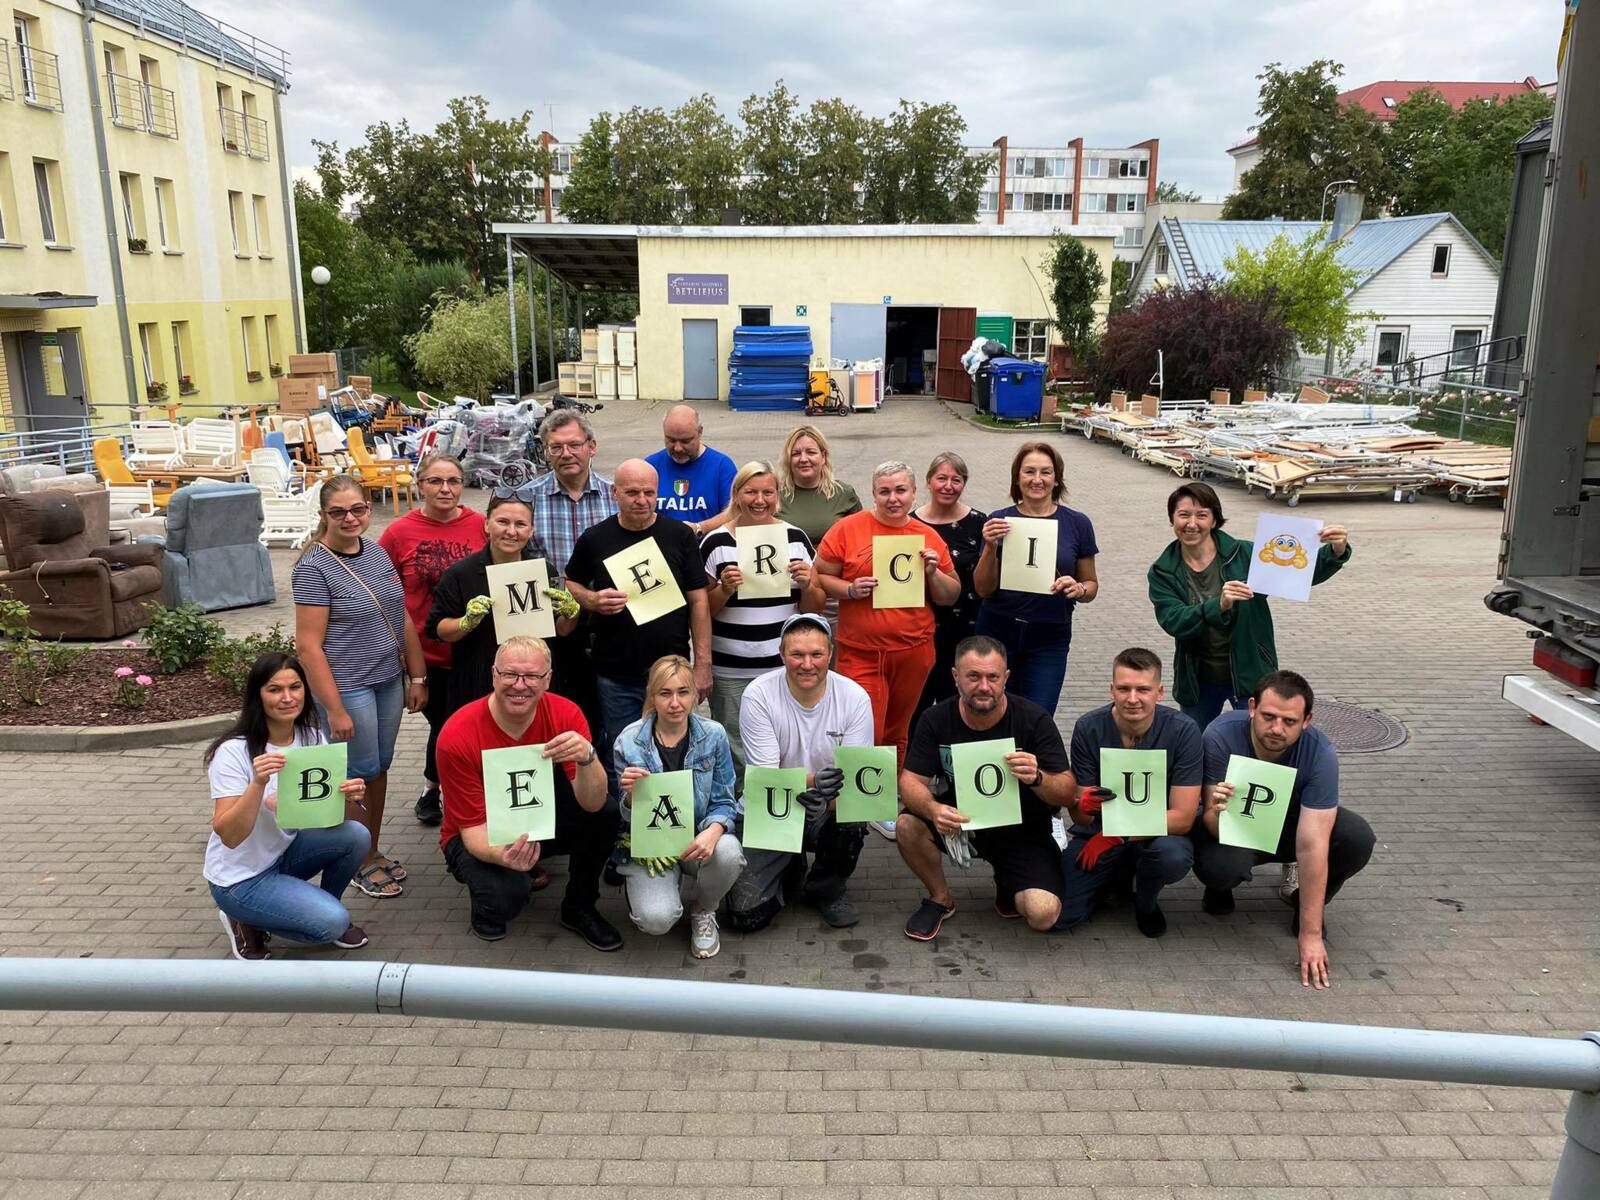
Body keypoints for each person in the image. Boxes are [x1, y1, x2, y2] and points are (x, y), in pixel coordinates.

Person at [1193, 670, 1376, 990]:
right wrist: (1217, 811)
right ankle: (1220, 888)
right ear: (1252, 708)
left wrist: (1311, 934)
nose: (1277, 729)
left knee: (1357, 837)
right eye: (1269, 717)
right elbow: (1210, 820)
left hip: (1292, 827)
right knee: (1220, 866)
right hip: (1234, 828)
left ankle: (1307, 904)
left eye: (1290, 721)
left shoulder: (1320, 752)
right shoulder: (1220, 735)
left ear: (1307, 721)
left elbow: (1313, 843)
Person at [434, 636, 620, 950]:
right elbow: (471, 828)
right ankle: (488, 904)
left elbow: (593, 803)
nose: (520, 685)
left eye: (532, 676)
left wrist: (588, 758)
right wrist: (503, 856)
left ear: (548, 679)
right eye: (510, 674)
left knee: (607, 814)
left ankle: (580, 905)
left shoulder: (566, 714)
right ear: (493, 674)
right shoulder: (457, 734)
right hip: (480, 828)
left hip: (539, 817)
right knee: (504, 898)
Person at [292, 476, 426, 900]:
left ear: (368, 509)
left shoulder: (376, 551)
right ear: (323, 515)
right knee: (355, 773)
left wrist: (417, 675)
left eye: (357, 509)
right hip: (348, 686)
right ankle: (356, 859)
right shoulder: (313, 567)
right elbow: (308, 646)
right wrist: (334, 708)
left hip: (387, 679)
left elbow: (401, 616)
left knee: (378, 766)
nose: (349, 518)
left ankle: (370, 847)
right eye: (338, 512)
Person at [895, 636, 1075, 941]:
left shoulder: (1033, 719)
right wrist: (933, 809)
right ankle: (940, 898)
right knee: (907, 825)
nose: (984, 687)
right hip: (960, 822)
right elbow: (910, 781)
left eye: (993, 677)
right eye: (973, 677)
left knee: (1043, 914)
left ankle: (1009, 881)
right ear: (955, 677)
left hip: (1023, 830)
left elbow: (1068, 792)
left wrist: (1038, 778)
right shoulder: (936, 718)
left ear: (1006, 677)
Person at [205, 653, 372, 961]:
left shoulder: (311, 737)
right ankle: (245, 918)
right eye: (274, 690)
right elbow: (229, 835)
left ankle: (317, 908)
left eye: (295, 687)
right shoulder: (233, 751)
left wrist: (347, 795)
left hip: (283, 854)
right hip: (240, 879)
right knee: (332, 922)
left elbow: (328, 819)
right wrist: (257, 785)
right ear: (257, 696)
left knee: (356, 834)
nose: (287, 698)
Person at [1148, 482, 1351, 730]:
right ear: (1172, 519)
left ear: (1214, 520)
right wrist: (1219, 605)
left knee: (1256, 740)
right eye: (1183, 515)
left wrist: (1335, 551)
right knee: (1195, 742)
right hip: (1197, 678)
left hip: (1250, 670)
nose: (1192, 523)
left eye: (1201, 515)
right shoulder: (1163, 571)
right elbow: (1173, 620)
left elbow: (1298, 574)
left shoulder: (1244, 554)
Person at [564, 459, 712, 798]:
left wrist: (703, 664)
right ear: (614, 493)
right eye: (632, 493)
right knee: (624, 757)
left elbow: (699, 602)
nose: (642, 500)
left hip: (671, 673)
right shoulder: (595, 538)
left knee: (678, 754)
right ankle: (628, 824)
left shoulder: (679, 536)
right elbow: (570, 582)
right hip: (616, 674)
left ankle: (678, 821)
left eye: (649, 493)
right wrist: (592, 600)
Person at [726, 614, 876, 931]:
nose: (807, 664)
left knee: (851, 820)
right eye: (797, 654)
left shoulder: (855, 698)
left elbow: (859, 786)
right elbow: (765, 779)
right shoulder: (758, 694)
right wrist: (812, 782)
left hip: (827, 805)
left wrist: (828, 799)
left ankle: (826, 887)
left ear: (830, 653)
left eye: (816, 654)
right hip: (771, 806)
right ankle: (788, 861)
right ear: (782, 654)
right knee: (745, 917)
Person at [811, 461, 960, 773]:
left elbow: (950, 594)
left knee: (897, 730)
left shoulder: (926, 535)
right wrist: (850, 589)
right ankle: (858, 793)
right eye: (884, 492)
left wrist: (933, 573)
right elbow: (821, 576)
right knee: (864, 729)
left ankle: (889, 793)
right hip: (861, 651)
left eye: (901, 490)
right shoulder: (848, 528)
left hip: (913, 651)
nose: (893, 499)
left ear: (914, 493)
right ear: (873, 493)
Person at [1058, 647, 1202, 938]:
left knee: (1172, 856)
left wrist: (1119, 835)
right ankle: (1114, 879)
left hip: (1157, 834)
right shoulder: (1088, 727)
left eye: (1143, 690)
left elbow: (1183, 818)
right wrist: (1079, 805)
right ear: (1111, 690)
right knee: (1062, 915)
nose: (1132, 698)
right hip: (1099, 830)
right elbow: (1083, 817)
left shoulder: (1184, 731)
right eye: (1124, 689)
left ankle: (1145, 902)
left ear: (1159, 692)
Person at [377, 452, 487, 827]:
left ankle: (436, 790)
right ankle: (440, 791)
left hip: (475, 651)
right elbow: (383, 591)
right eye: (435, 481)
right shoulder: (399, 533)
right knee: (447, 723)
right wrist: (408, 666)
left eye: (453, 481)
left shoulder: (481, 525)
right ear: (420, 485)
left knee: (457, 725)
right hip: (427, 655)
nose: (445, 489)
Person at [612, 655, 745, 958]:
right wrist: (630, 797)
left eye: (683, 692)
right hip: (651, 846)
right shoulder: (629, 741)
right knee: (656, 920)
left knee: (728, 852)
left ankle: (704, 909)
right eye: (665, 693)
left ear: (695, 694)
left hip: (696, 837)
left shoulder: (714, 735)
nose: (675, 703)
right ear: (652, 696)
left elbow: (725, 799)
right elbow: (622, 815)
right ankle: (652, 889)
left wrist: (714, 830)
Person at [699, 460, 821, 777]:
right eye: (751, 492)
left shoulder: (795, 538)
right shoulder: (715, 542)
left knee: (787, 742)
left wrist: (808, 585)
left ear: (777, 495)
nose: (759, 500)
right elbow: (701, 610)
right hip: (731, 669)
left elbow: (814, 610)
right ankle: (743, 801)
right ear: (736, 494)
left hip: (783, 668)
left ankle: (785, 803)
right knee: (735, 745)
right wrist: (724, 589)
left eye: (768, 492)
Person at [973, 441, 1099, 716]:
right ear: (1017, 478)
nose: (1037, 479)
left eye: (1046, 472)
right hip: (998, 630)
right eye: (1029, 471)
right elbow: (982, 589)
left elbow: (1091, 585)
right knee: (990, 713)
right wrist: (990, 547)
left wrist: (1079, 588)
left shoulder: (1077, 523)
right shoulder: (999, 520)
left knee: (1038, 716)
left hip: (1049, 635)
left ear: (1057, 479)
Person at [426, 492, 579, 717]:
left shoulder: (546, 570)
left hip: (534, 683)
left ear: (531, 530)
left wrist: (572, 614)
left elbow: (562, 629)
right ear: (487, 524)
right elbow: (437, 629)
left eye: (520, 524)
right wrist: (465, 623)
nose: (511, 531)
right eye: (503, 522)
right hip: (479, 683)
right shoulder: (459, 574)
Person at [527, 409, 617, 741]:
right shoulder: (528, 499)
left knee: (609, 716)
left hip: (610, 623)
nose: (566, 454)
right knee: (557, 715)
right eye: (556, 447)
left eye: (574, 445)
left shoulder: (616, 496)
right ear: (546, 452)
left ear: (592, 446)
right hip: (552, 628)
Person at [911, 452, 987, 728]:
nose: (948, 486)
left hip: (965, 630)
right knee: (916, 708)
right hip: (919, 629)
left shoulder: (979, 523)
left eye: (956, 480)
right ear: (928, 481)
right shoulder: (909, 523)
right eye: (941, 478)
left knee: (957, 708)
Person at [645, 403, 738, 537]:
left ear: (700, 432)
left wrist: (699, 528)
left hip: (705, 547)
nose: (678, 448)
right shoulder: (650, 466)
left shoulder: (722, 466)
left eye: (685, 441)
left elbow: (733, 513)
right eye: (671, 440)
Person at [776, 424, 861, 548]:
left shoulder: (844, 493)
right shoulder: (774, 494)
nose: (803, 459)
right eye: (796, 454)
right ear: (788, 459)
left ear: (823, 457)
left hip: (831, 561)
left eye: (811, 452)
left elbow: (860, 538)